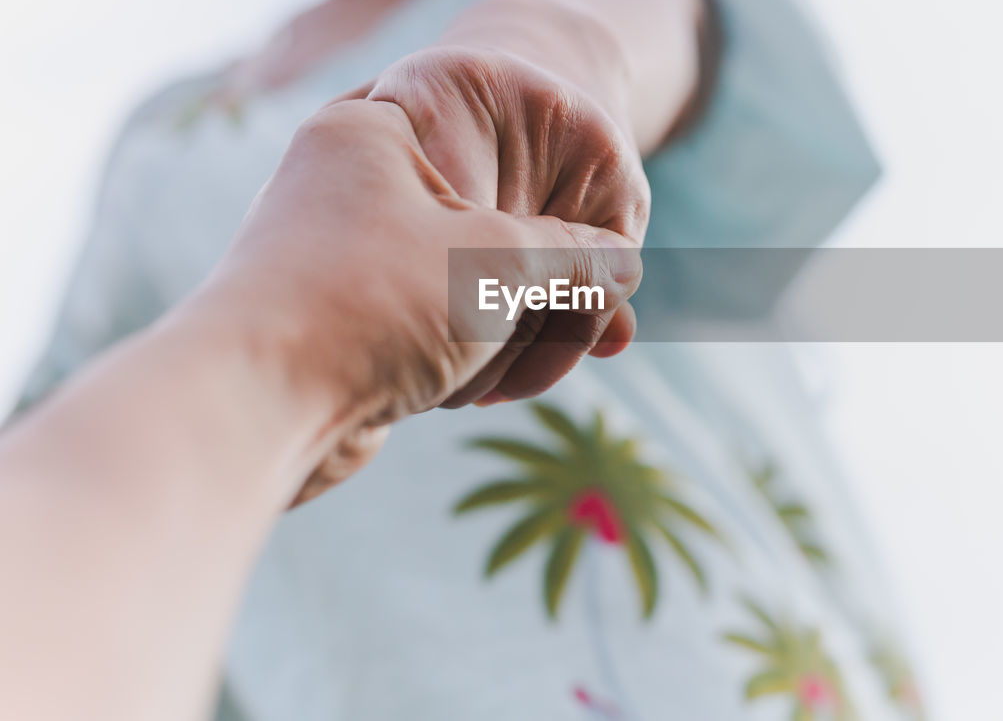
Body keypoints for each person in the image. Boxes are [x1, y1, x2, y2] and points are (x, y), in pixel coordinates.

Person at [11, 0, 920, 718]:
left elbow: (629, 26)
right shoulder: (166, 127)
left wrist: (525, 70)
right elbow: (59, 442)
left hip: (699, 654)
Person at [0, 99, 641, 721]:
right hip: (204, 618)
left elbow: (596, 64)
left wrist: (501, 63)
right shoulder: (163, 114)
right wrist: (303, 347)